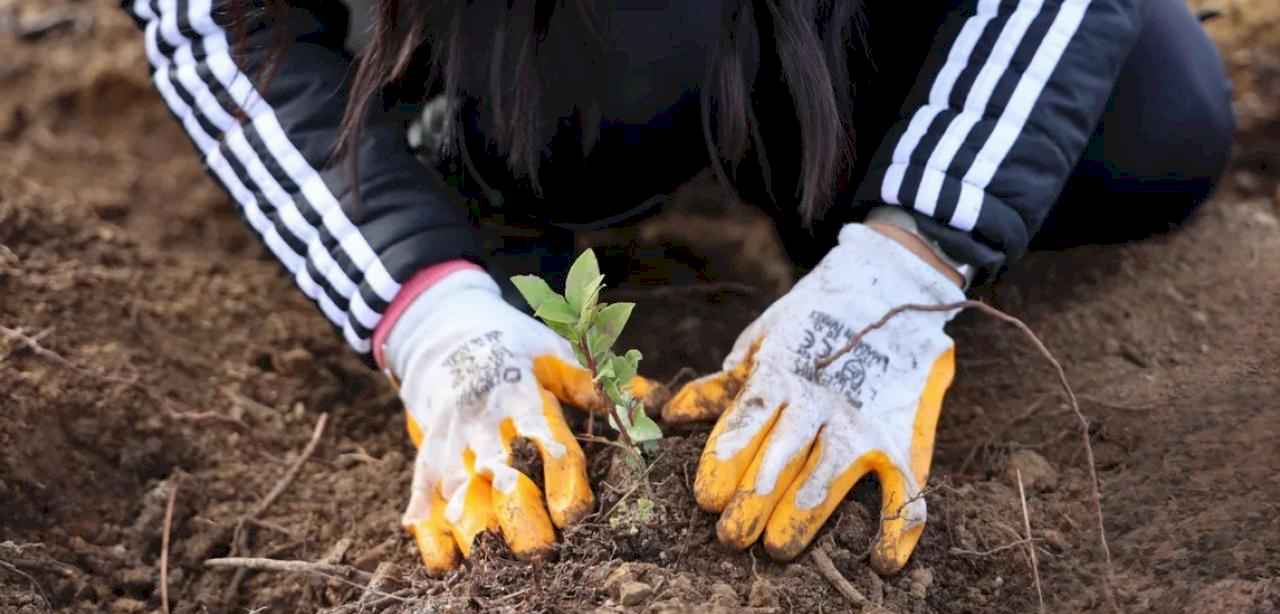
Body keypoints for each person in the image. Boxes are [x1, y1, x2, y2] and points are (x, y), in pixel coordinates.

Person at [122, 0, 1233, 577]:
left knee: (1151, 121)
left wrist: (909, 257)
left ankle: (814, 142)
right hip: (516, 45)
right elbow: (207, 18)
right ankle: (475, 154)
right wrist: (429, 309)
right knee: (610, 81)